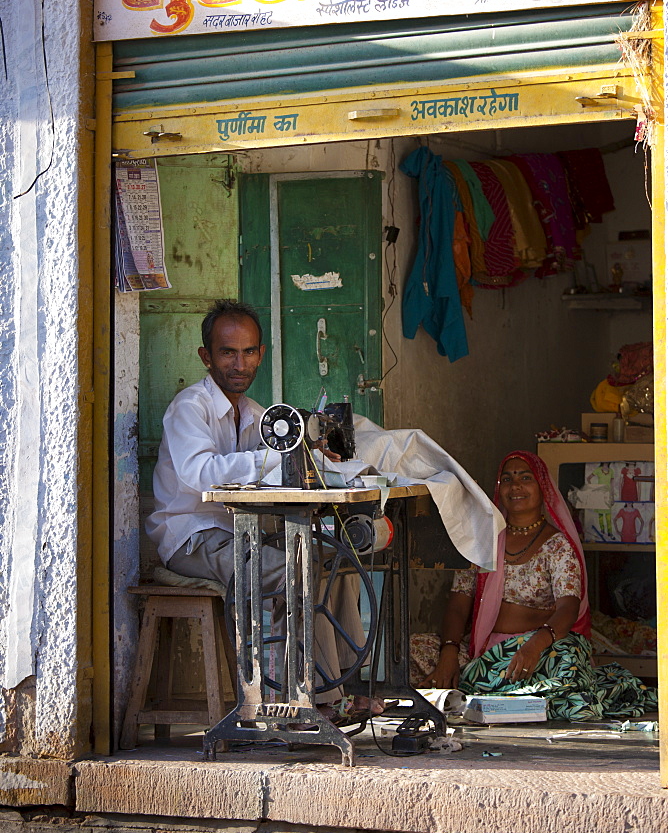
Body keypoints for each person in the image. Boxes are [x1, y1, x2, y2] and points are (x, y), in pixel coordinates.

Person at [146, 298, 367, 708]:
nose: (239, 363)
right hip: (192, 539)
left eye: (249, 352)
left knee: (337, 561)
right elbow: (201, 472)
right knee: (294, 571)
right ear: (206, 357)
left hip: (235, 534)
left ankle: (348, 690)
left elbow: (277, 462)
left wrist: (317, 454)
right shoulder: (189, 408)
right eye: (228, 352)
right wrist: (280, 454)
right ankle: (293, 701)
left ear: (261, 355)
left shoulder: (253, 413)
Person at [418, 451, 656, 721]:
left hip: (540, 648)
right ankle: (487, 688)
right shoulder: (484, 541)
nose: (515, 485)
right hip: (481, 648)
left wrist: (534, 646)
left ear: (543, 489)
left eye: (525, 477)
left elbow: (568, 607)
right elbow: (459, 605)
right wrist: (449, 651)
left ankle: (478, 690)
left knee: (567, 663)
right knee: (413, 651)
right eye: (506, 479)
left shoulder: (557, 546)